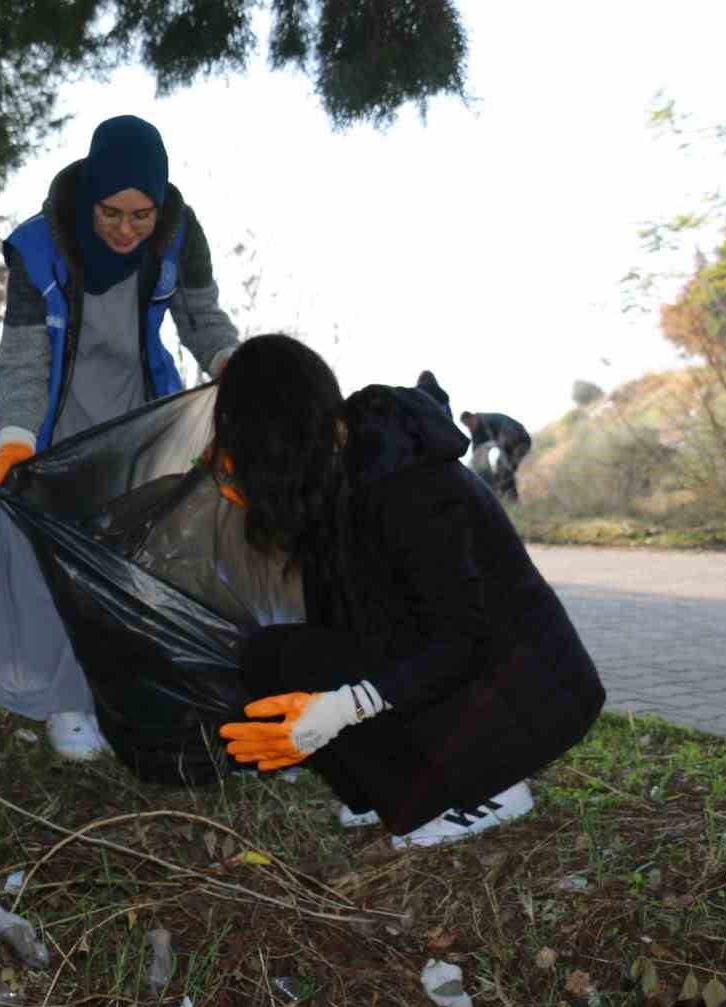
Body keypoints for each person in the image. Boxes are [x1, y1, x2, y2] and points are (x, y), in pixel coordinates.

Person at [212, 335, 604, 848]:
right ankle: (404, 795)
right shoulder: (340, 475)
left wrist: (345, 707)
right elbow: (341, 623)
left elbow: (461, 638)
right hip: (450, 664)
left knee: (333, 673)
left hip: (522, 686)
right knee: (274, 656)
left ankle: (495, 787)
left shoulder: (410, 482)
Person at [0, 114, 239, 760]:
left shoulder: (178, 234)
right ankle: (59, 702)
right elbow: (25, 360)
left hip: (135, 418)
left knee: (129, 560)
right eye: (112, 213)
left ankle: (119, 696)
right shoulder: (40, 246)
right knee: (43, 555)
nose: (127, 230)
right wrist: (15, 438)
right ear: (90, 197)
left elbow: (202, 321)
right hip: (50, 423)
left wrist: (239, 369)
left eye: (141, 214)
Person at [459, 410, 532, 502]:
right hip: (507, 448)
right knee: (501, 469)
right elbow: (476, 452)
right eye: (467, 426)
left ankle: (512, 499)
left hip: (520, 441)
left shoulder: (490, 420)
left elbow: (511, 432)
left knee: (505, 469)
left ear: (473, 417)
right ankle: (509, 498)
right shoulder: (477, 430)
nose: (469, 428)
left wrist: (501, 446)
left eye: (469, 424)